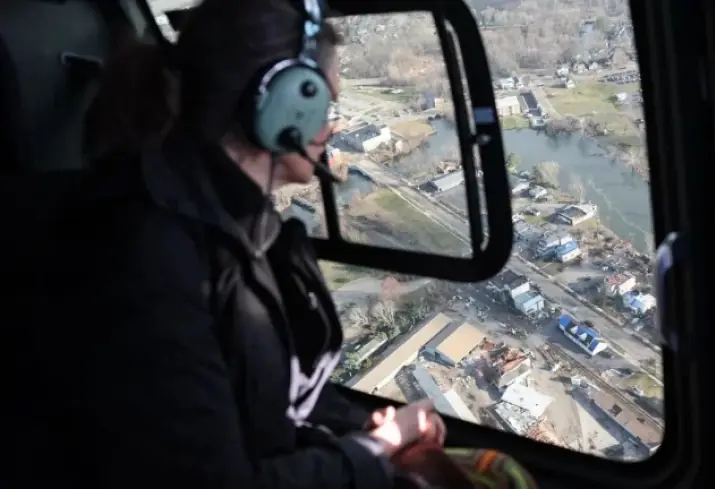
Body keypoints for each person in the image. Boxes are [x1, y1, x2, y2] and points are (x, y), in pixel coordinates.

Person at [11, 0, 445, 488]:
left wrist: (358, 426)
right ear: (283, 103)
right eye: (326, 106)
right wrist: (377, 450)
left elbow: (268, 395)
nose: (334, 125)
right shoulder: (149, 255)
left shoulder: (237, 221)